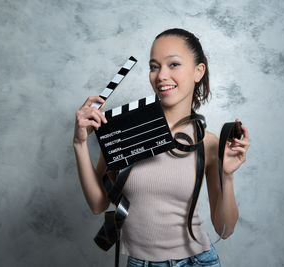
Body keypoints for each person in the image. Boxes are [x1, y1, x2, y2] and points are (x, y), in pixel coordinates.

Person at [73, 28, 250, 267]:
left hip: (196, 261)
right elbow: (98, 204)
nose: (161, 75)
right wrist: (80, 143)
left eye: (174, 64)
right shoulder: (123, 129)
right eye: (154, 66)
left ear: (198, 71)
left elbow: (225, 229)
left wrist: (227, 177)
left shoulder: (208, 143)